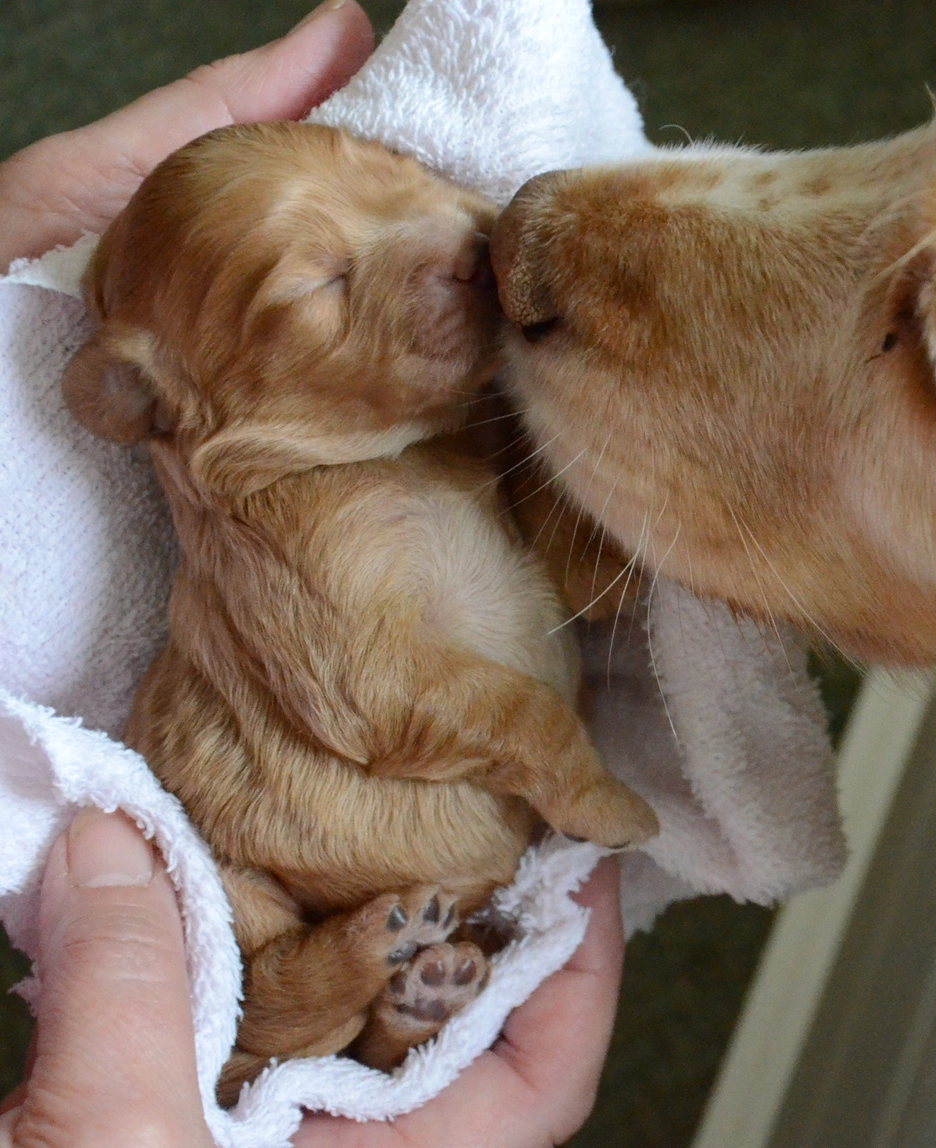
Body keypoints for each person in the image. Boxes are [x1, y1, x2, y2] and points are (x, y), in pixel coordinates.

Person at [0, 5, 627, 1146]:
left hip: (451, 854)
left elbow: (541, 524)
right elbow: (384, 704)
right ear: (160, 397)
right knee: (242, 952)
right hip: (282, 864)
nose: (449, 236)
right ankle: (339, 987)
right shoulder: (290, 522)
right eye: (325, 284)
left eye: (401, 178)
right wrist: (570, 772)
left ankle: (395, 1014)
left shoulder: (419, 427)